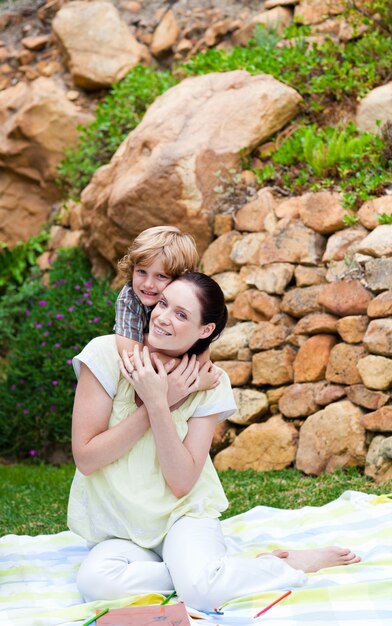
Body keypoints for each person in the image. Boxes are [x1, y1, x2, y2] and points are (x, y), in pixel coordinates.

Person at [68, 272, 360, 611]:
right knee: (95, 584)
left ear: (205, 331)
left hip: (183, 516)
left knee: (202, 594)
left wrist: (161, 404)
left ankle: (284, 565)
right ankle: (211, 570)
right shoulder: (106, 354)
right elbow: (87, 460)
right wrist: (156, 401)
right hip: (120, 527)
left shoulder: (210, 382)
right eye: (162, 304)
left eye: (181, 314)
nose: (162, 317)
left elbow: (181, 482)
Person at [114, 225, 199, 359]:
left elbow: (202, 351)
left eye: (161, 276)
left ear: (181, 279)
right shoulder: (129, 298)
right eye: (141, 271)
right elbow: (130, 356)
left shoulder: (193, 299)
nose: (148, 284)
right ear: (132, 269)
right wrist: (175, 363)